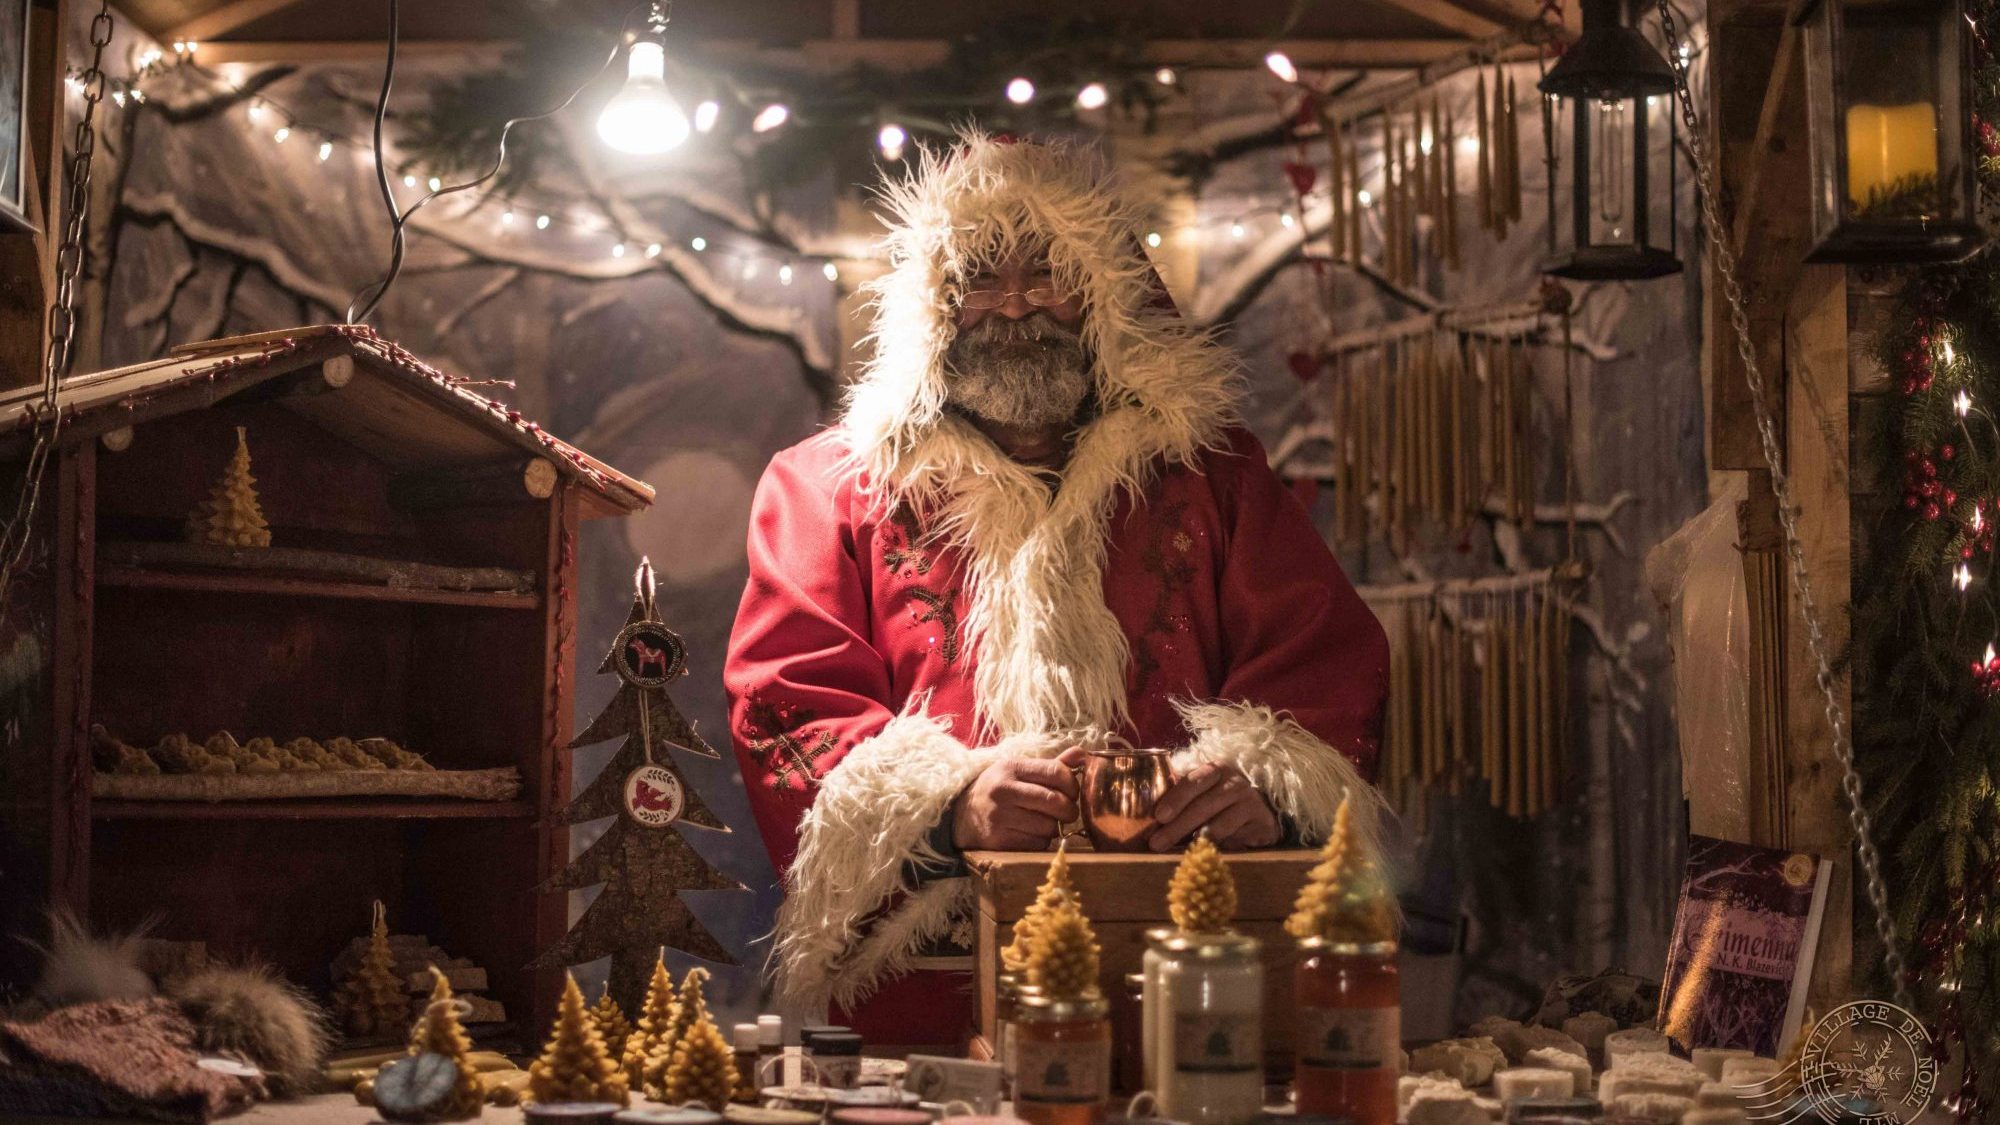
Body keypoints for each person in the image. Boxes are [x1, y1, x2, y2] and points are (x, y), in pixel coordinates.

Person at [724, 131, 1389, 1041]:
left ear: (1106, 294)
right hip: (927, 982)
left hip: (1179, 970)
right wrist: (950, 806)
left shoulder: (1212, 474)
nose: (1014, 310)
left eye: (1047, 277)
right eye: (980, 283)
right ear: (933, 307)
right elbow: (786, 703)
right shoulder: (825, 488)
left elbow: (1322, 660)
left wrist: (1260, 786)